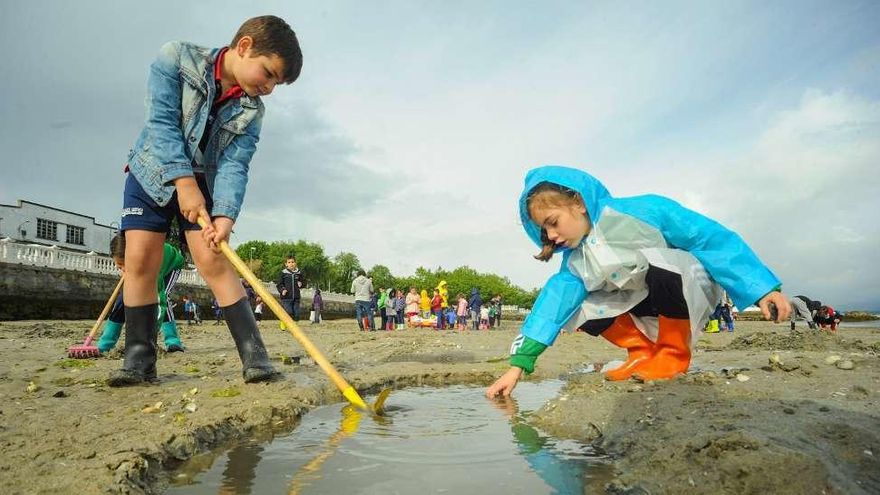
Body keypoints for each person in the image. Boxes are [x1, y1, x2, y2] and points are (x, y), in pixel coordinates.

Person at [109, 16, 302, 387]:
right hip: (151, 170)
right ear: (244, 46)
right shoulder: (176, 58)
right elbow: (161, 123)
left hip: (204, 182)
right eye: (269, 73)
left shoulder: (252, 111)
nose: (270, 87)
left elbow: (235, 164)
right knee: (139, 259)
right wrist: (183, 181)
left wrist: (226, 215)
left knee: (214, 258)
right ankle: (138, 359)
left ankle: (255, 356)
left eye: (277, 82)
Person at [486, 166, 789, 397]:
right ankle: (641, 353)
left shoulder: (644, 211)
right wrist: (517, 367)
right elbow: (550, 309)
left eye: (553, 222)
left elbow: (709, 238)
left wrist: (762, 289)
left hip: (687, 290)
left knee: (660, 262)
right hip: (643, 311)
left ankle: (673, 355)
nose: (551, 236)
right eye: (544, 231)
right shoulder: (574, 262)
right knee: (572, 305)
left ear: (577, 202)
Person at [97, 235, 186, 353]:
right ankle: (106, 343)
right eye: (119, 266)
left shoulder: (153, 262)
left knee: (163, 295)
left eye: (126, 265)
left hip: (171, 265)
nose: (123, 270)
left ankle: (173, 341)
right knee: (122, 300)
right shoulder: (130, 263)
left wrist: (148, 338)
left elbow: (160, 300)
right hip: (142, 265)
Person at [276, 255, 304, 321]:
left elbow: (304, 282)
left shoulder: (299, 273)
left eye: (292, 262)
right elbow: (279, 284)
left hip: (296, 298)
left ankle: (294, 327)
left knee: (297, 315)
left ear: (295, 263)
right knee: (289, 312)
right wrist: (282, 290)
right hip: (286, 297)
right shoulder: (283, 273)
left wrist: (301, 284)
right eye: (289, 262)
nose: (291, 264)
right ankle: (283, 322)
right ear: (286, 264)